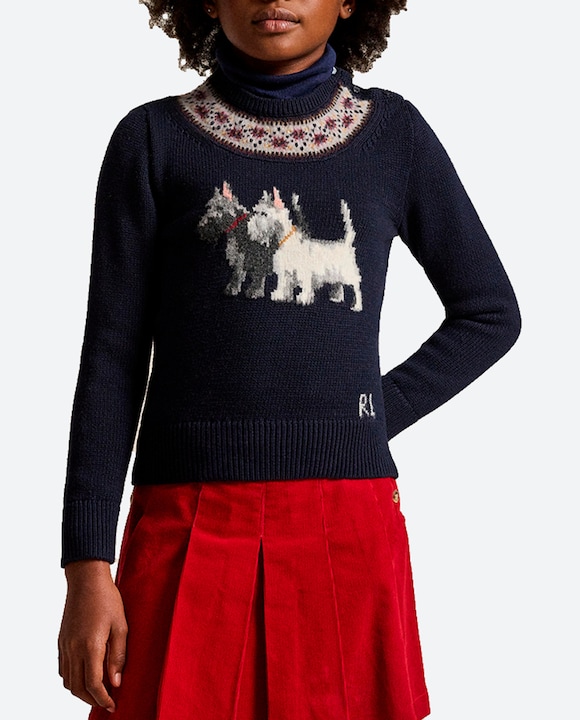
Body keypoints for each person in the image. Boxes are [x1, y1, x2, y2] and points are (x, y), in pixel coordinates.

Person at [57, 0, 521, 718]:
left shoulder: (394, 135)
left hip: (349, 523)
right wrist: (86, 565)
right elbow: (112, 359)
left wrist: (369, 414)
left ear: (351, 1)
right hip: (185, 520)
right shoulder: (151, 140)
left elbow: (489, 313)